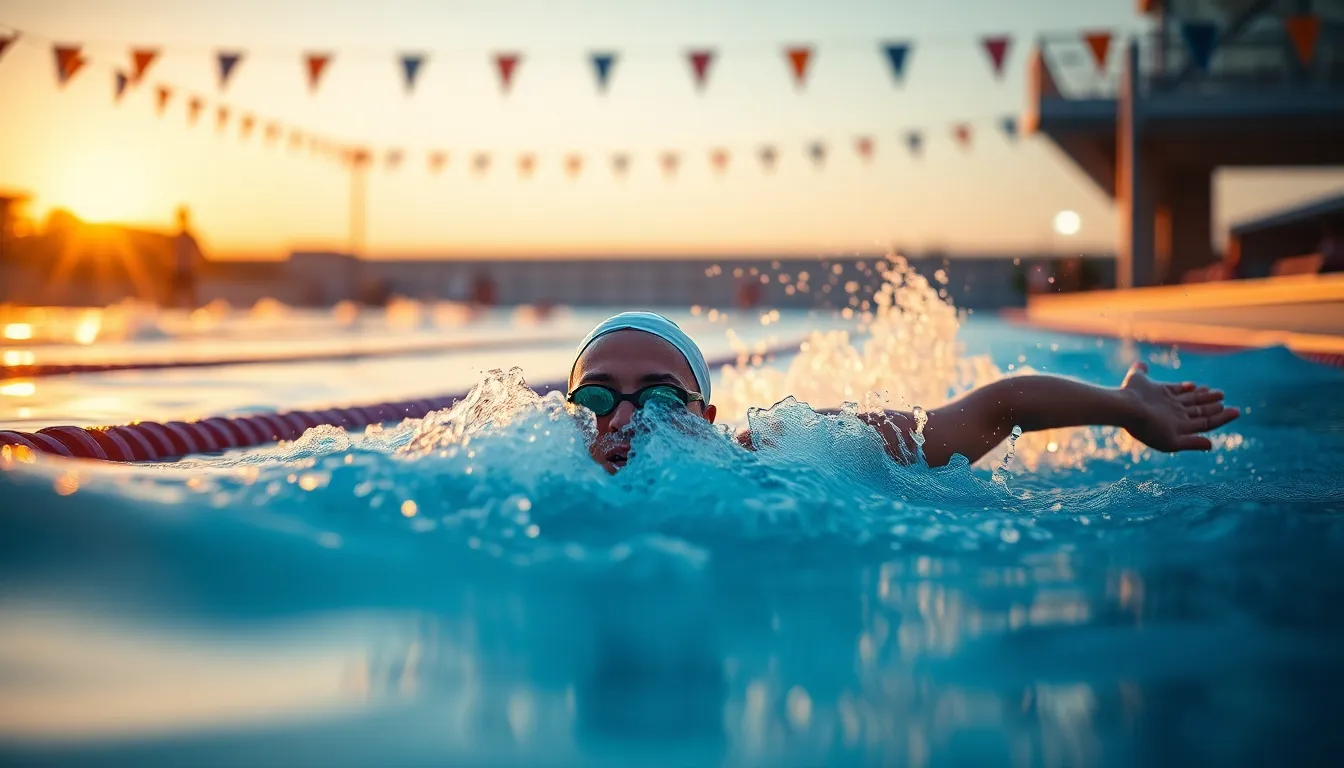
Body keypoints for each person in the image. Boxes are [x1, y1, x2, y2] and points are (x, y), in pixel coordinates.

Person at [567, 312, 1240, 474]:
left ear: (705, 416)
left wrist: (1126, 407)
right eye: (598, 399)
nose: (626, 418)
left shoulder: (783, 450)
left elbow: (987, 412)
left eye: (658, 397)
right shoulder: (524, 481)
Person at [168, 205, 202, 309]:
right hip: (177, 269)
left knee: (189, 298)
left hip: (187, 269)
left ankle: (191, 318)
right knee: (172, 298)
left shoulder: (189, 237)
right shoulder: (176, 237)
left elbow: (199, 253)